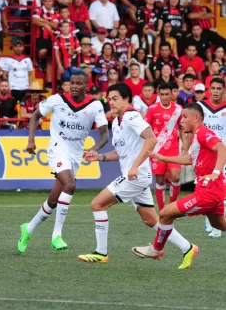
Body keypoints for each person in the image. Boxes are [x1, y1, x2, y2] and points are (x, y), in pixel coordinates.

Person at [78, 83, 193, 265]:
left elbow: (152, 139)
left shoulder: (132, 116)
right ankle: (187, 247)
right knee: (150, 219)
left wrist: (135, 166)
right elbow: (119, 153)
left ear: (127, 99)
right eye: (109, 99)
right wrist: (98, 156)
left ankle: (101, 253)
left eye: (115, 98)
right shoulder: (116, 122)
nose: (111, 102)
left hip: (136, 176)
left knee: (97, 204)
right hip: (135, 177)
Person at [18, 72, 109, 252]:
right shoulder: (56, 99)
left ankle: (27, 229)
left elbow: (105, 135)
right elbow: (35, 116)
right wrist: (31, 140)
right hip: (57, 149)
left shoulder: (95, 105)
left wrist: (94, 149)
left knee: (53, 201)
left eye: (78, 84)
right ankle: (57, 235)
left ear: (86, 86)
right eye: (71, 83)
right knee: (70, 185)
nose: (74, 86)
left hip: (75, 155)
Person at [133, 103, 226, 269]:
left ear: (196, 118)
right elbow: (189, 160)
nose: (181, 121)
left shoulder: (203, 132)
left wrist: (216, 172)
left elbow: (222, 148)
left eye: (185, 117)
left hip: (208, 192)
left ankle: (156, 249)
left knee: (165, 213)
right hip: (214, 190)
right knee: (218, 224)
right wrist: (163, 157)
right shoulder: (197, 136)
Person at [145, 83, 183, 211]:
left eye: (167, 94)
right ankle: (162, 210)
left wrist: (186, 146)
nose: (165, 97)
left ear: (172, 94)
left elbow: (183, 128)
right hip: (157, 149)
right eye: (162, 94)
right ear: (158, 94)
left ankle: (172, 206)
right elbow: (146, 127)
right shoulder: (152, 109)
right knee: (160, 181)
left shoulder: (178, 109)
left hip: (173, 149)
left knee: (176, 177)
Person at [198, 77, 226, 238]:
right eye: (213, 88)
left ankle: (217, 225)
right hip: (205, 156)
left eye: (219, 88)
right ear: (209, 90)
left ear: (223, 90)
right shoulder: (201, 107)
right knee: (206, 190)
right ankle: (210, 220)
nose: (215, 91)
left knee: (221, 190)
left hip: (223, 155)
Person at [32, 0, 60, 89]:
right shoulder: (38, 9)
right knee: (42, 52)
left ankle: (49, 83)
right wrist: (48, 24)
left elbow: (55, 25)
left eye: (50, 1)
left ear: (52, 2)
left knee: (50, 59)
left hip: (51, 38)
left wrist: (43, 22)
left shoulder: (55, 11)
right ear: (43, 1)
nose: (48, 3)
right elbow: (34, 21)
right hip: (40, 37)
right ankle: (40, 60)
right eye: (46, 1)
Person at [2, 38, 33, 103]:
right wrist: (8, 87)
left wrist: (30, 87)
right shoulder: (8, 59)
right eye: (16, 46)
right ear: (13, 47)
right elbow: (4, 75)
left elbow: (30, 74)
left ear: (23, 48)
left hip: (25, 88)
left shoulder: (27, 59)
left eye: (20, 46)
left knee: (24, 107)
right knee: (12, 108)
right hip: (13, 88)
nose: (18, 48)